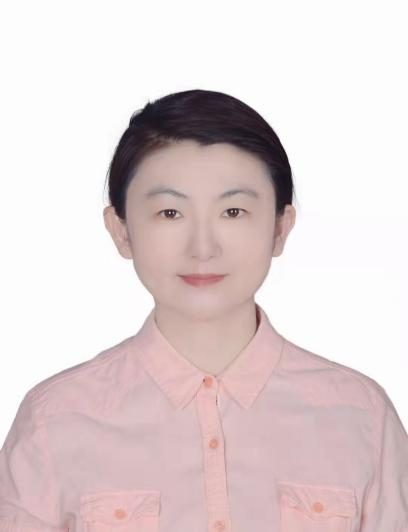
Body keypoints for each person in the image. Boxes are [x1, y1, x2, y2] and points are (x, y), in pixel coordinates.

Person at [0, 89, 407, 532]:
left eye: (233, 211)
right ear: (121, 230)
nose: (203, 248)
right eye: (170, 213)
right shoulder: (55, 420)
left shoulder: (361, 417)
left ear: (279, 228)